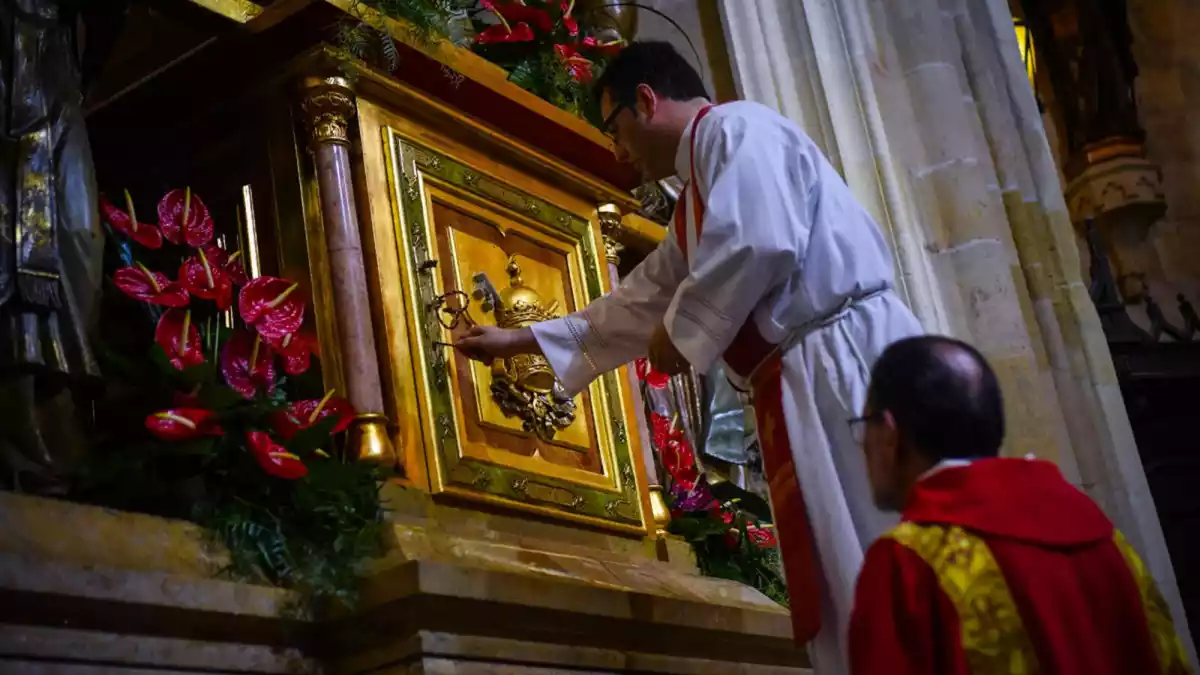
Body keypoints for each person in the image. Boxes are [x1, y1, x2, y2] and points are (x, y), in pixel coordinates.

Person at [455, 41, 922, 672]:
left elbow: (758, 239)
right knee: (843, 563)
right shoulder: (699, 189)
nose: (617, 150)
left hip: (844, 360)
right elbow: (646, 294)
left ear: (646, 100)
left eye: (613, 127)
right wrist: (527, 338)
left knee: (876, 545)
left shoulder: (738, 127)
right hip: (805, 373)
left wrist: (681, 335)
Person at [849, 335, 1191, 675]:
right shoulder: (1107, 541)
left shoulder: (908, 562)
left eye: (865, 427)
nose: (864, 447)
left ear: (890, 434)